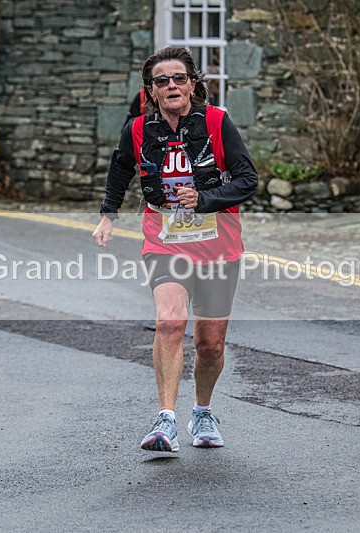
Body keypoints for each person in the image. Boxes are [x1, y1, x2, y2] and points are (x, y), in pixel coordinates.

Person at [93, 47, 258, 451]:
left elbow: (247, 179)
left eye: (179, 78)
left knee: (210, 344)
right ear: (150, 90)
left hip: (219, 245)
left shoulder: (218, 122)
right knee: (169, 321)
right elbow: (120, 167)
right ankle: (165, 419)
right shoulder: (137, 129)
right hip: (164, 241)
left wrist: (203, 199)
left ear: (193, 84)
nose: (172, 86)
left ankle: (202, 411)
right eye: (162, 81)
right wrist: (108, 214)